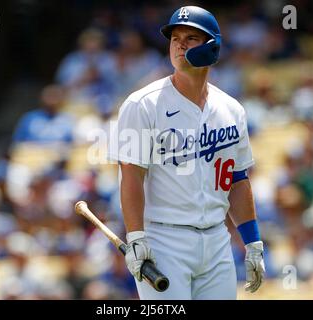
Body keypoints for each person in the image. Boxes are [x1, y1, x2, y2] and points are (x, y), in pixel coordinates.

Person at [108, 6, 265, 299]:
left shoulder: (232, 109)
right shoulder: (141, 104)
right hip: (165, 240)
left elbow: (238, 179)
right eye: (174, 37)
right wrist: (137, 237)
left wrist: (253, 243)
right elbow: (131, 176)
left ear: (212, 47)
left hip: (217, 239)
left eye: (191, 37)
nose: (179, 44)